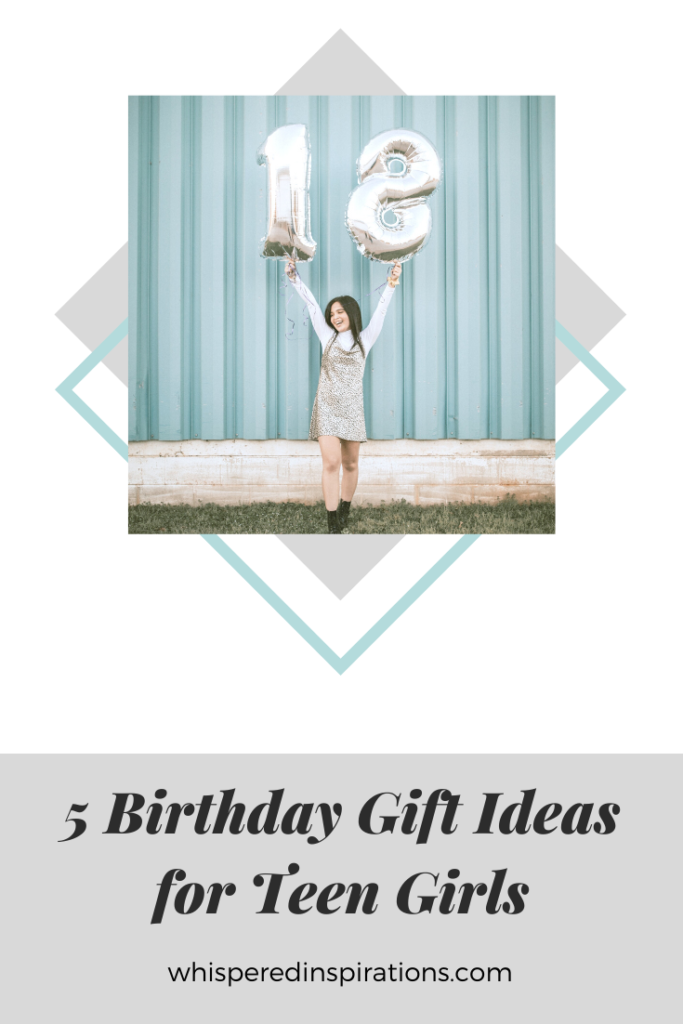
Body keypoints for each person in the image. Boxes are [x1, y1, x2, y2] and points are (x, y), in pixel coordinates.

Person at [285, 258, 402, 533]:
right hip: (327, 406)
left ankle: (345, 511)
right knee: (332, 463)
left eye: (340, 312)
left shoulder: (366, 338)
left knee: (350, 464)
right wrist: (294, 277)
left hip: (352, 409)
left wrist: (392, 281)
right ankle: (333, 522)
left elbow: (382, 311)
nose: (335, 316)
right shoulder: (327, 337)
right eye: (332, 313)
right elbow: (312, 305)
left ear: (351, 312)